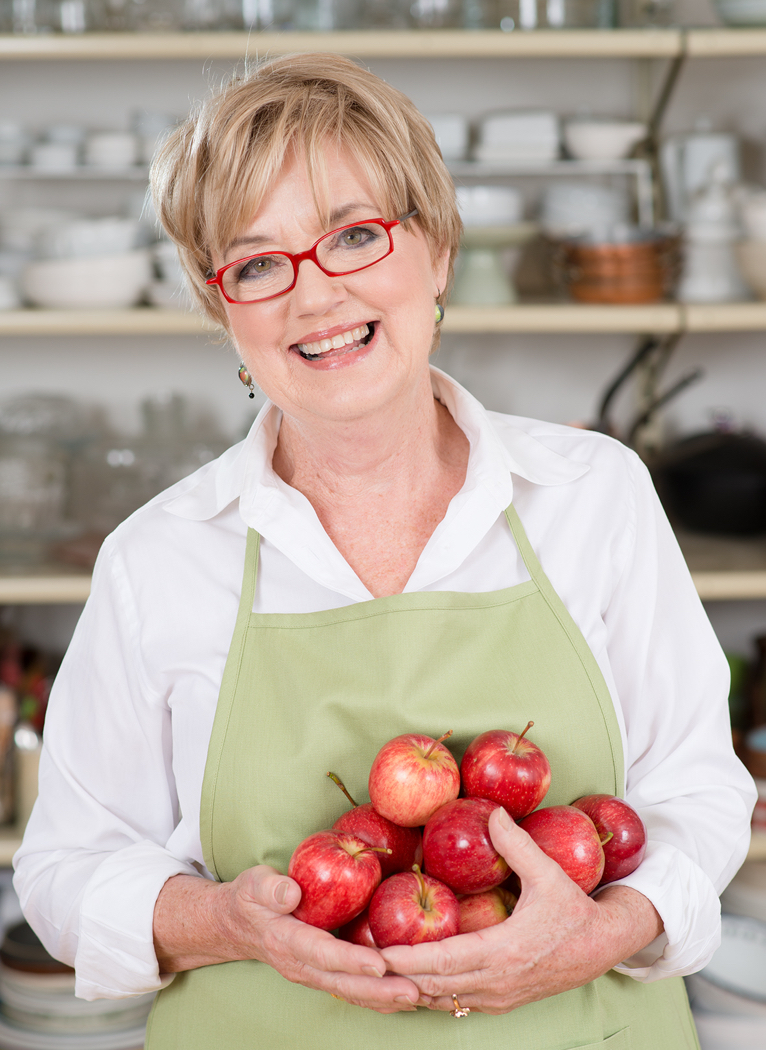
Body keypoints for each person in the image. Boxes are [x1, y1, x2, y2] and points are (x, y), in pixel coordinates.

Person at [14, 53, 755, 1050]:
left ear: (438, 251)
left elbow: (697, 790)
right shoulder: (159, 557)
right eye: (259, 262)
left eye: (356, 236)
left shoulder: (592, 495)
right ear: (219, 305)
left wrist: (605, 929)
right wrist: (228, 922)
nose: (313, 298)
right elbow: (64, 872)